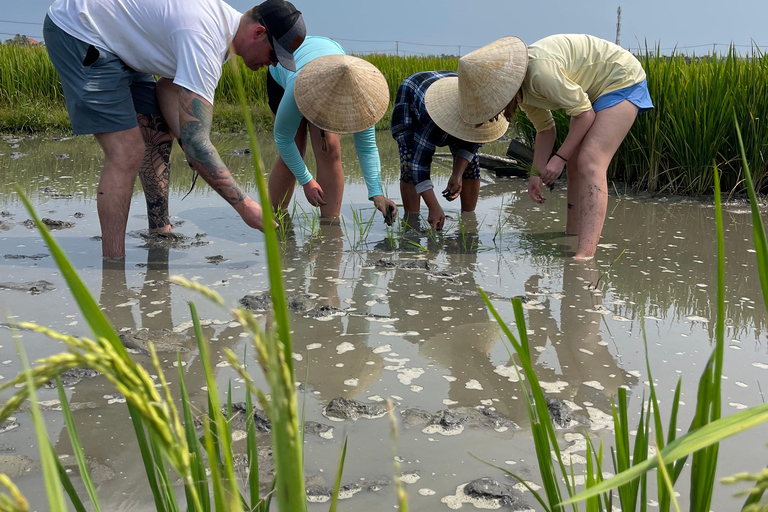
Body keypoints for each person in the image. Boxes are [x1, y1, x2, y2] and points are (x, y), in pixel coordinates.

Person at [43, 0, 306, 257]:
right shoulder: (204, 38)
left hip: (124, 42)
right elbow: (198, 142)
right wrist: (246, 207)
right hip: (81, 30)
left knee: (157, 131)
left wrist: (184, 141)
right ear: (258, 32)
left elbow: (167, 88)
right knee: (127, 151)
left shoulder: (220, 32)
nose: (272, 65)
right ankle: (114, 267)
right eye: (274, 55)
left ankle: (160, 231)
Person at [454, 34, 654, 259]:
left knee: (590, 161)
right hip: (590, 91)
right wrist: (535, 174)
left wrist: (559, 158)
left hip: (621, 78)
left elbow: (584, 115)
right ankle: (572, 235)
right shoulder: (521, 92)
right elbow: (545, 129)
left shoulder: (539, 73)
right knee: (575, 168)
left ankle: (585, 255)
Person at [266, 37, 397, 223]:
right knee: (296, 144)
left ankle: (330, 225)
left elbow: (367, 147)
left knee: (330, 147)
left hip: (329, 61)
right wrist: (307, 180)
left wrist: (377, 193)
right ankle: (275, 218)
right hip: (291, 72)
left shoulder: (364, 98)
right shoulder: (297, 83)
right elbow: (282, 139)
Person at [390, 71, 509, 231]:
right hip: (412, 98)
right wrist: (434, 206)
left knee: (471, 163)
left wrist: (457, 174)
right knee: (408, 161)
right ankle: (412, 222)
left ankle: (468, 221)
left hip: (457, 103)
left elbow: (471, 145)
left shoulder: (481, 112)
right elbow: (418, 164)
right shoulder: (430, 113)